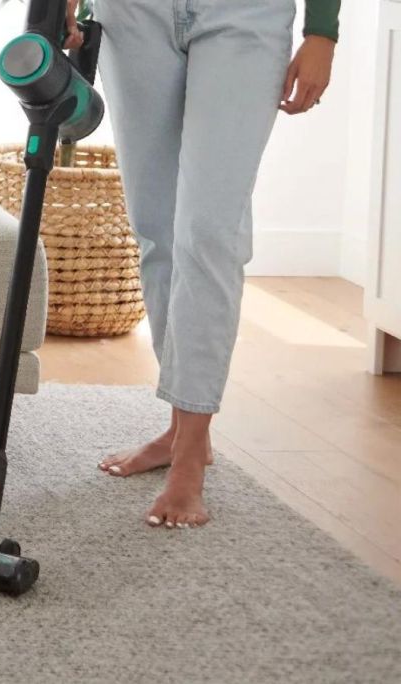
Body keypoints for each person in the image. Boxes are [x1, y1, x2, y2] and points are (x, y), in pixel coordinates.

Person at [63, 0, 339, 528]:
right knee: (158, 229)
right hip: (134, 15)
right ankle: (181, 431)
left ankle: (189, 456)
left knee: (209, 233)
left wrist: (322, 31)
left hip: (246, 14)